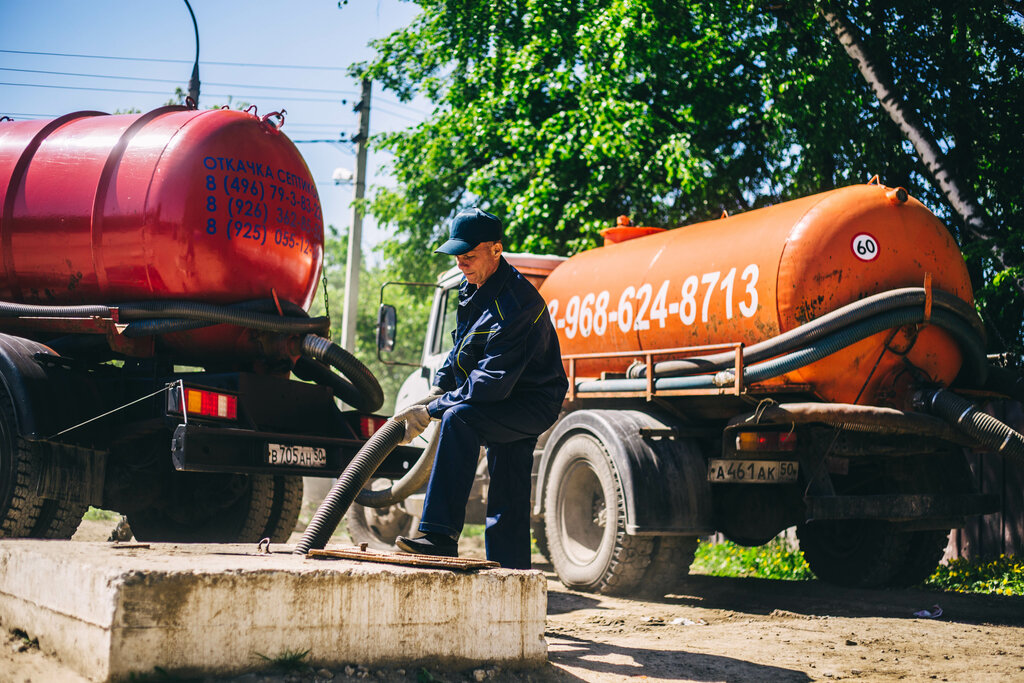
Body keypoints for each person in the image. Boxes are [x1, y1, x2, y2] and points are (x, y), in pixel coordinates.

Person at [393, 207, 568, 569]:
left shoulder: (517, 305)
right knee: (509, 480)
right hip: (505, 396)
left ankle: (438, 536)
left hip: (530, 401)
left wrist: (431, 410)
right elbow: (461, 349)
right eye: (458, 258)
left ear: (496, 250)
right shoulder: (472, 287)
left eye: (469, 257)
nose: (462, 265)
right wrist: (437, 388)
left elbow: (489, 384)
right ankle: (512, 571)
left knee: (461, 419)